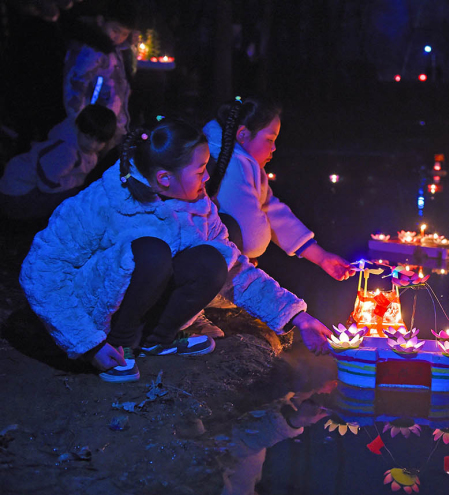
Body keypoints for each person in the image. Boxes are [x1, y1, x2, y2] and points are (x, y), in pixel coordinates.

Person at [19, 118, 332, 383]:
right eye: (199, 171)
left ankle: (157, 339)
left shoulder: (198, 205)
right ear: (164, 178)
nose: (207, 177)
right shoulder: (101, 202)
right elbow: (40, 272)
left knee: (212, 260)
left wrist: (297, 317)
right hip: (94, 322)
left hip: (140, 304)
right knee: (150, 252)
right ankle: (119, 347)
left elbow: (236, 268)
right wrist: (88, 343)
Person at [202, 96, 356, 281]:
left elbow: (272, 211)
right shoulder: (232, 166)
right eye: (269, 139)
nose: (274, 148)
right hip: (209, 273)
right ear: (242, 134)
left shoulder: (247, 166)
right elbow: (250, 239)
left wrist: (321, 257)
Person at [0, 104, 116, 220]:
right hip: (14, 195)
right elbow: (48, 184)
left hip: (24, 184)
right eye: (88, 137)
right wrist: (77, 181)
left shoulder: (81, 145)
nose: (92, 145)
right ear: (79, 127)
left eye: (99, 141)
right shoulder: (67, 152)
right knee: (73, 198)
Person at [62, 0, 134, 146]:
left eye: (125, 34)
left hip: (110, 128)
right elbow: (75, 90)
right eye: (115, 30)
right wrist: (85, 130)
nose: (118, 38)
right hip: (95, 131)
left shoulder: (116, 49)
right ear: (101, 21)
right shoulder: (91, 50)